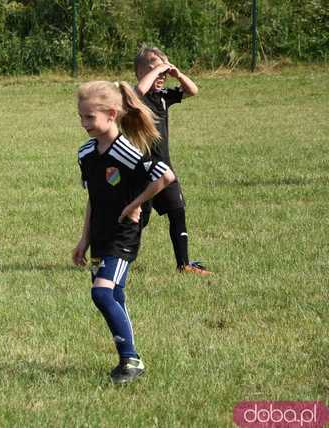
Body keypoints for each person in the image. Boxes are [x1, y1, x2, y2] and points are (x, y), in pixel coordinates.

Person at [73, 81, 175, 383]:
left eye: (90, 117)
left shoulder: (126, 151)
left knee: (102, 292)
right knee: (113, 293)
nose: (84, 123)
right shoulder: (86, 153)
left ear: (112, 114)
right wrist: (84, 239)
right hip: (99, 236)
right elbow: (93, 197)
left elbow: (165, 176)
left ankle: (131, 359)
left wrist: (135, 203)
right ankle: (128, 359)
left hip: (123, 236)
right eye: (81, 117)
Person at [134, 46, 212, 275]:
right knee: (140, 218)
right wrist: (158, 67)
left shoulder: (164, 97)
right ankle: (116, 255)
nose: (161, 75)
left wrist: (176, 73)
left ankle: (184, 264)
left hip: (164, 167)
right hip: (141, 169)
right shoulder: (134, 97)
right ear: (140, 71)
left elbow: (193, 90)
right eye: (154, 69)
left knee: (177, 210)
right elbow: (139, 90)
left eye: (163, 71)